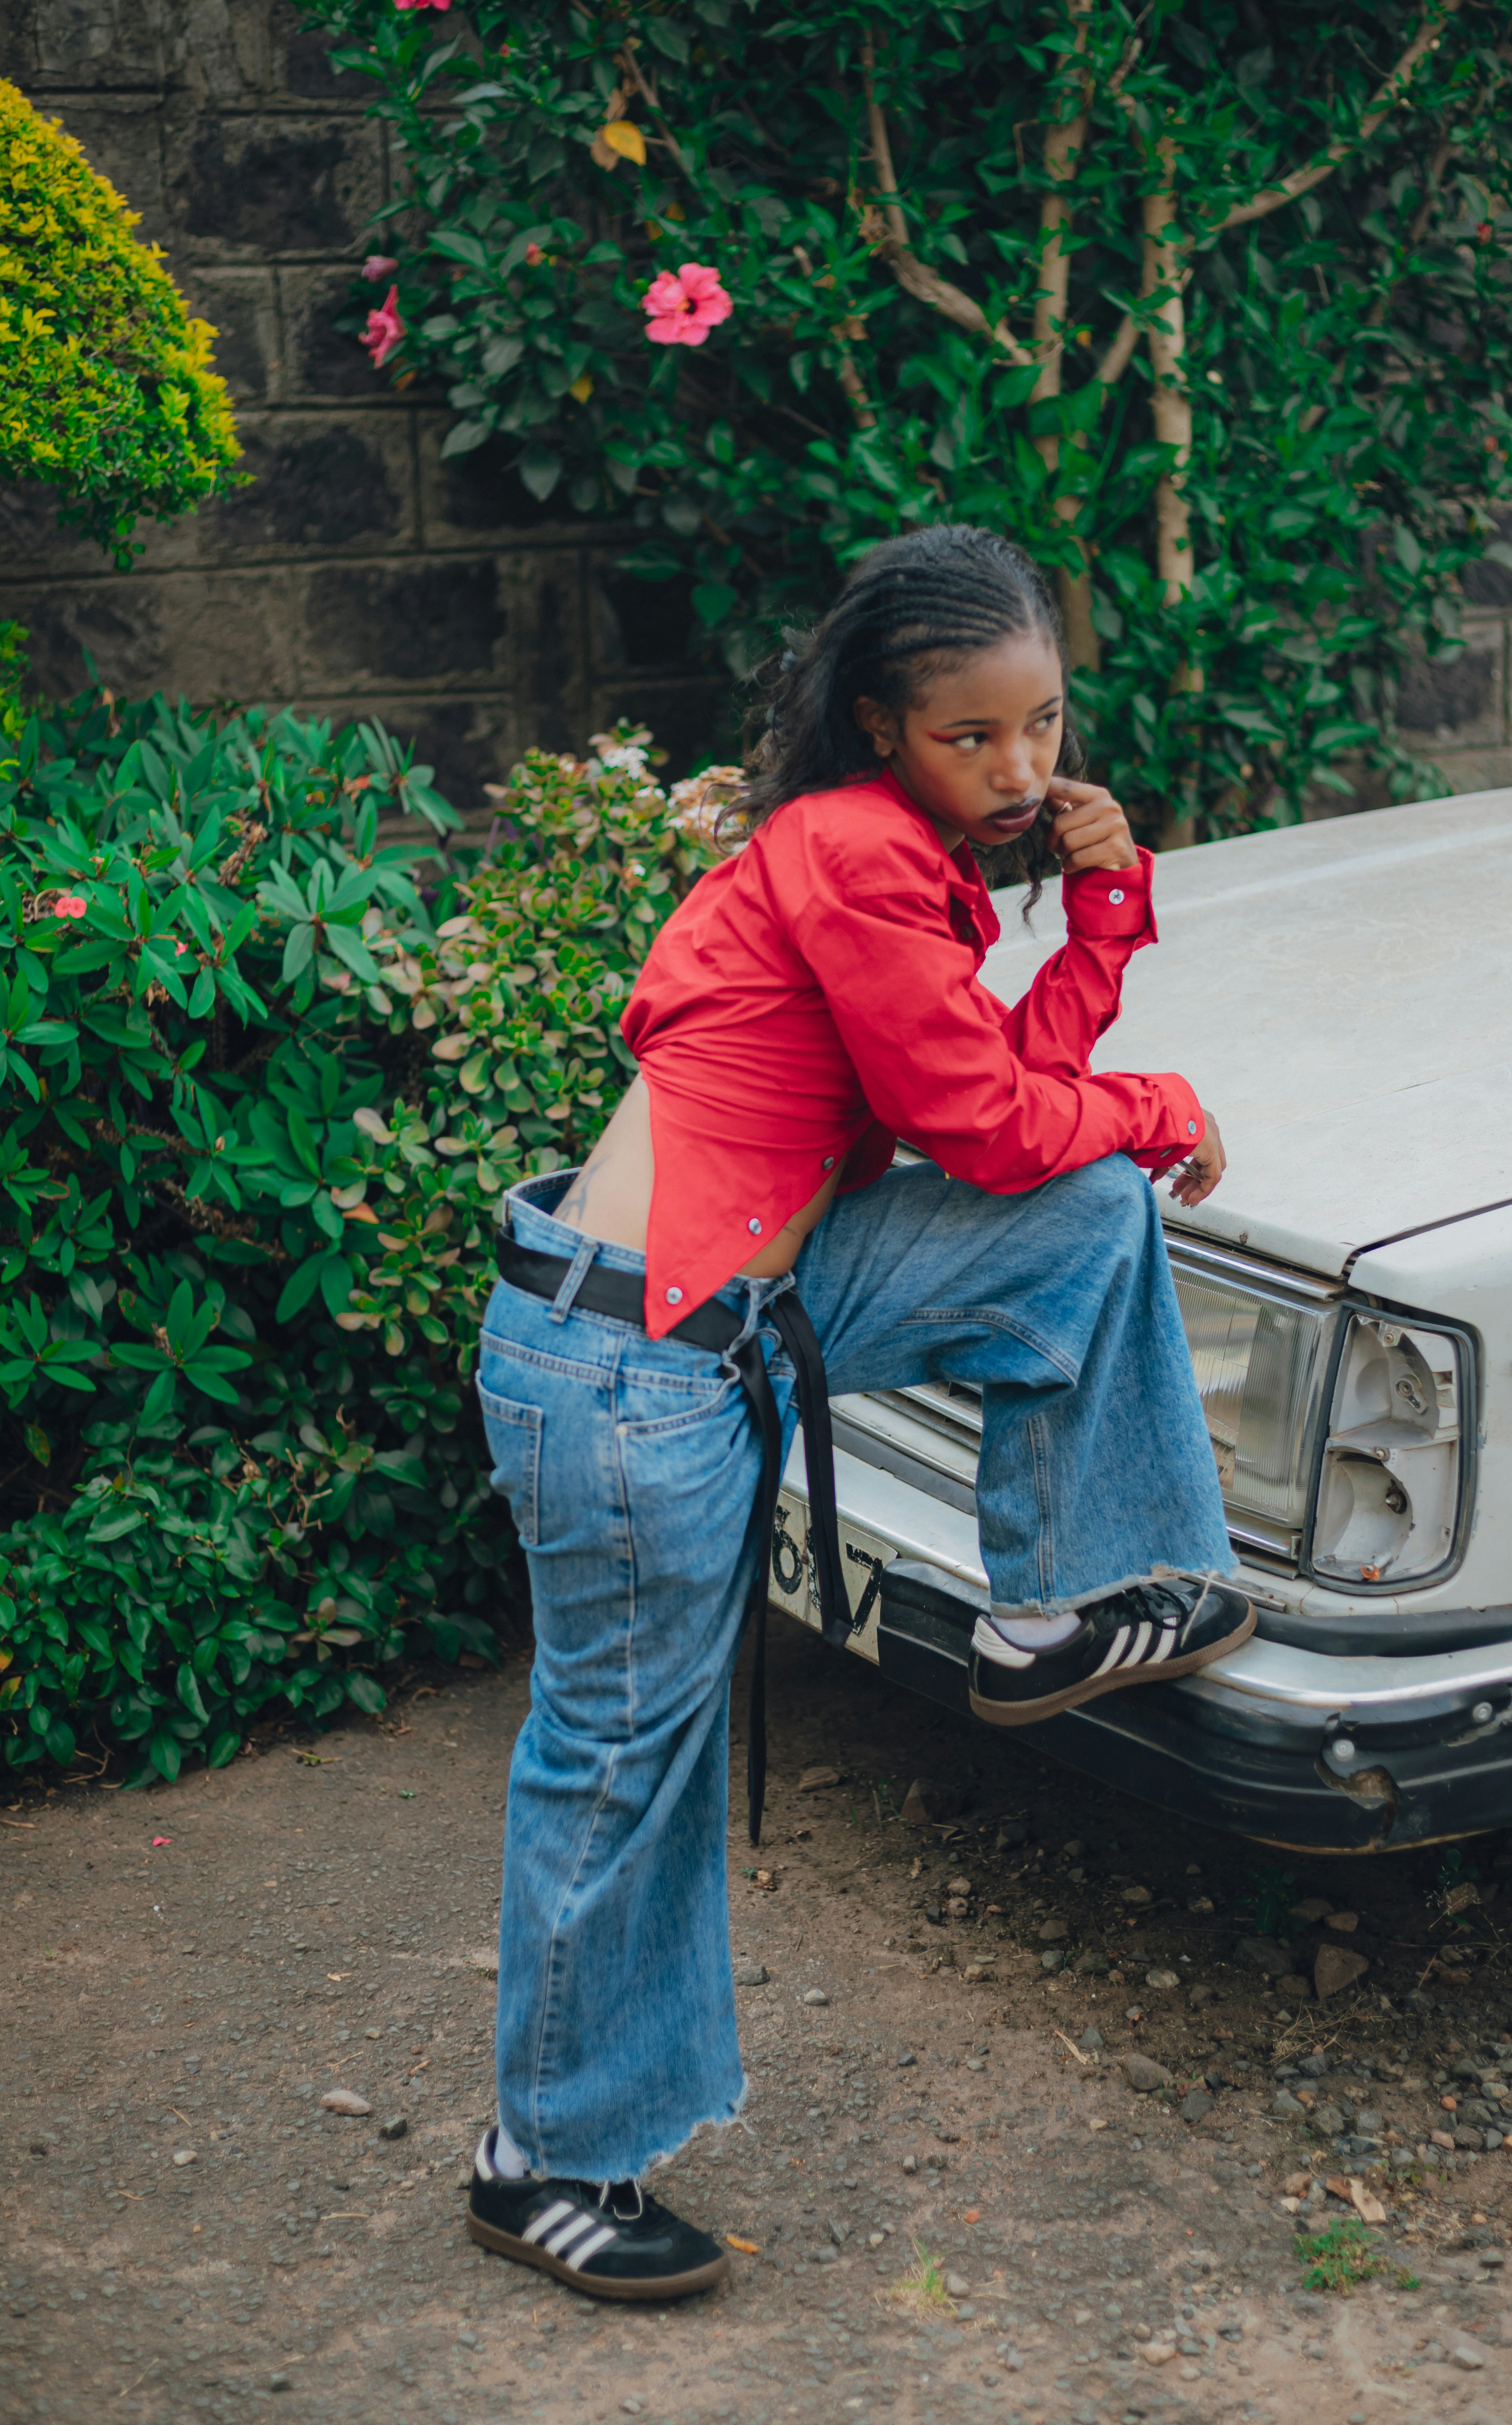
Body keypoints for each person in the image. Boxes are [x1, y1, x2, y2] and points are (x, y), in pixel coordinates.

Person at [462, 524, 1252, 2301]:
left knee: (1086, 1208)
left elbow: (1015, 1113)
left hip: (731, 1315)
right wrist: (1153, 1096)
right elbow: (985, 1120)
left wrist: (1107, 909)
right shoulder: (846, 854)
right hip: (628, 1367)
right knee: (616, 1764)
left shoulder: (900, 866)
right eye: (969, 736)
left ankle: (1051, 1599)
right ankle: (540, 2159)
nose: (1021, 768)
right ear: (880, 724)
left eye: (1040, 726)